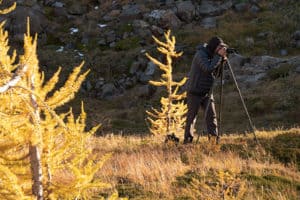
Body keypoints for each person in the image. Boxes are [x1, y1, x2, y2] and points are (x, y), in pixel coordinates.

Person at [184, 36, 227, 144]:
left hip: (207, 92)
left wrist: (222, 61)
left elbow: (217, 74)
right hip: (194, 91)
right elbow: (207, 68)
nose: (219, 50)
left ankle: (213, 142)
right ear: (213, 46)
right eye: (219, 47)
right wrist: (218, 56)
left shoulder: (214, 56)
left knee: (211, 117)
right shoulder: (200, 54)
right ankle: (187, 142)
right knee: (191, 118)